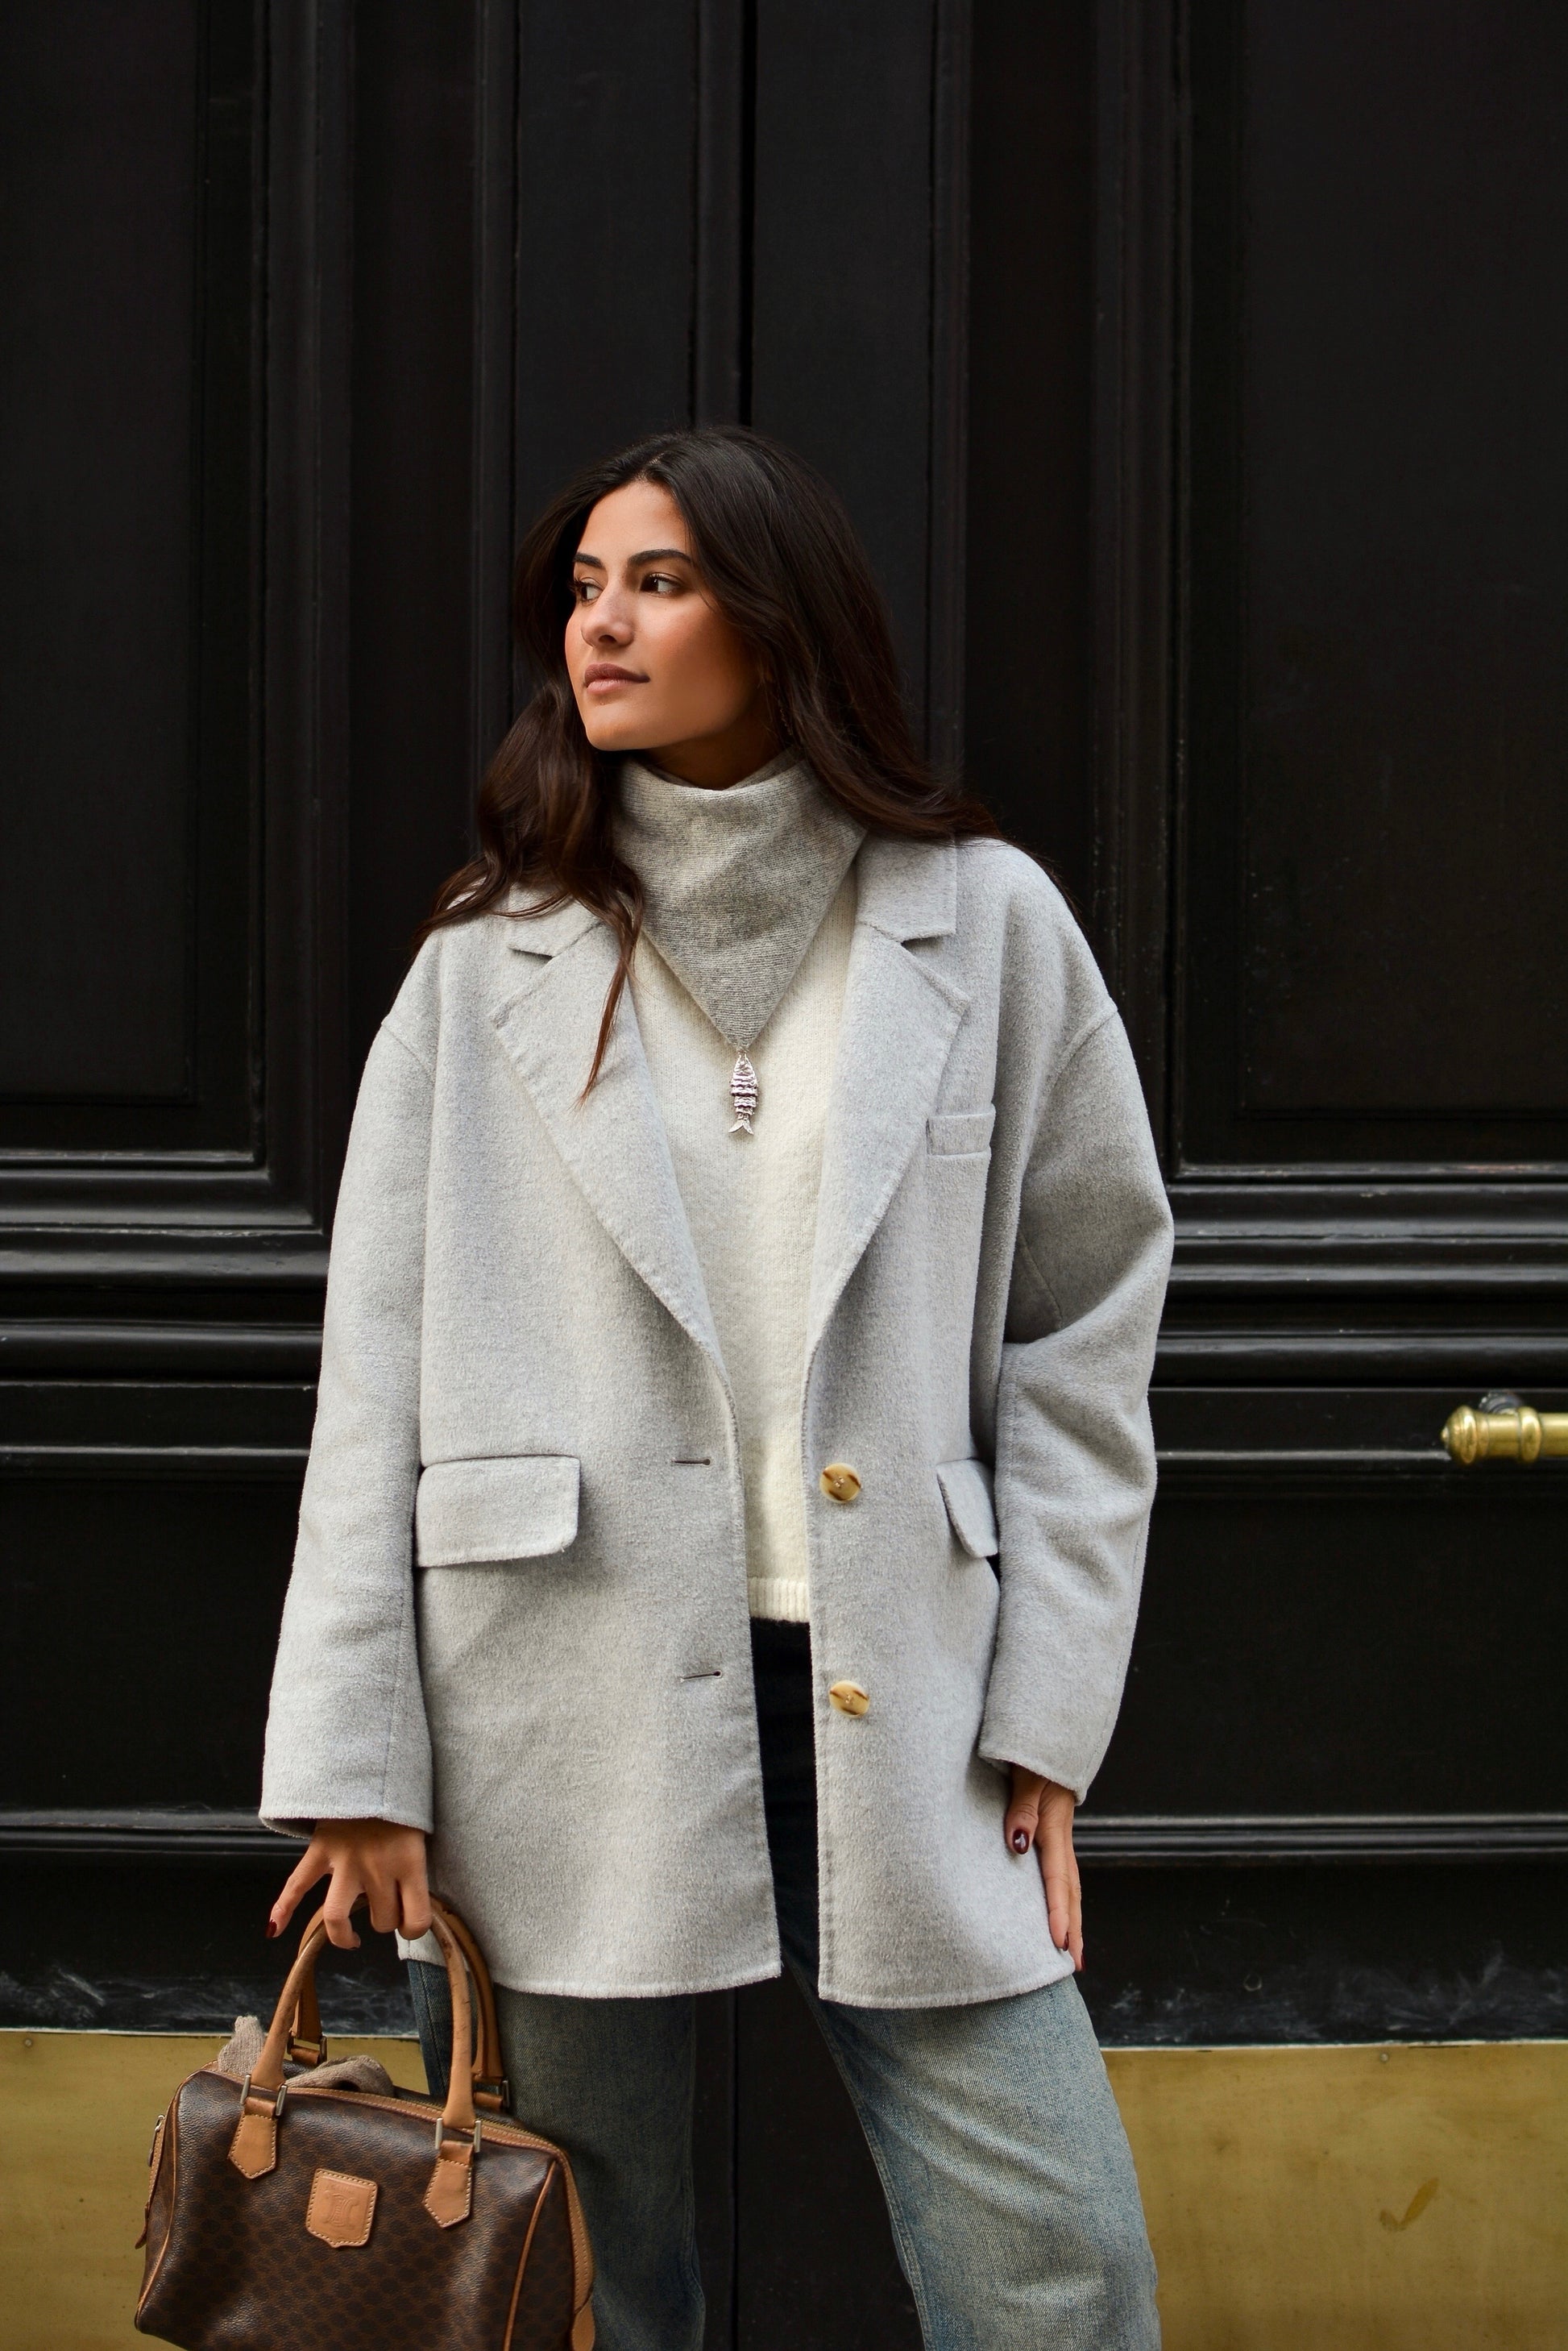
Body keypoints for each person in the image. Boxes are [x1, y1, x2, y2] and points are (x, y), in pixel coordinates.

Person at [262, 425, 1174, 2349]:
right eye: (584, 589)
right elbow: (373, 1372)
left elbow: (1084, 1320)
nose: (600, 625)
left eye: (658, 585)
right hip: (542, 1691)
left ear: (778, 622)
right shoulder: (486, 958)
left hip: (906, 1687)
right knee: (583, 2285)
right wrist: (355, 1758)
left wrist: (1051, 1705)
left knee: (1058, 2262)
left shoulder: (985, 921)